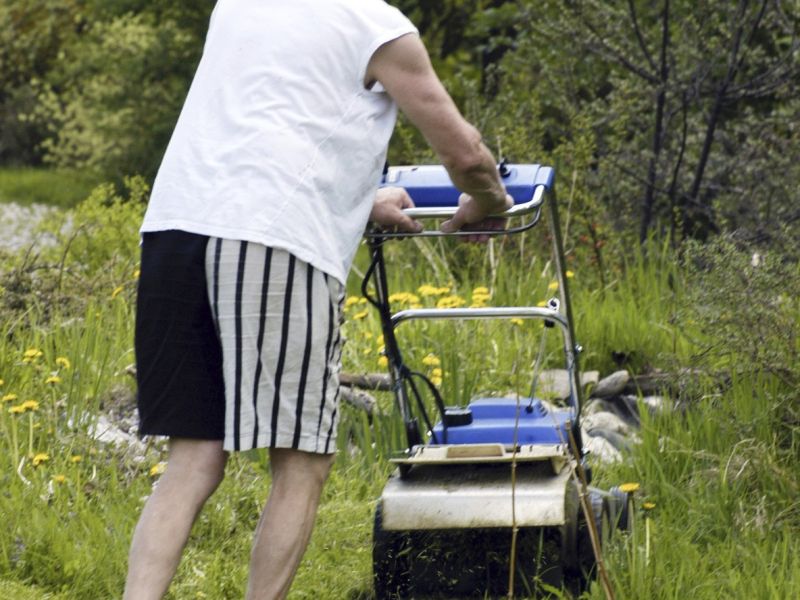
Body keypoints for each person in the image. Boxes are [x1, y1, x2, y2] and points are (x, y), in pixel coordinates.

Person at [123, 1, 511, 598]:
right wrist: (490, 200)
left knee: (194, 458)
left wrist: (361, 199)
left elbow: (270, 119)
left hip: (176, 229)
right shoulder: (378, 28)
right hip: (272, 239)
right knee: (301, 462)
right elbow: (463, 155)